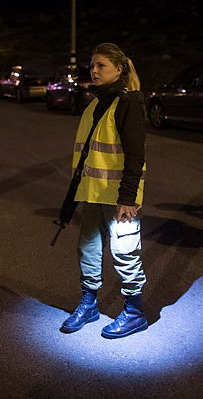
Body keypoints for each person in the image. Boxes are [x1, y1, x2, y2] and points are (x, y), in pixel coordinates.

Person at [60, 43, 149, 339]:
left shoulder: (128, 103)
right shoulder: (94, 104)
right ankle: (89, 305)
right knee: (88, 249)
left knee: (125, 253)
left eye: (101, 66)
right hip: (93, 193)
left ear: (118, 69)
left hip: (120, 198)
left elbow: (136, 156)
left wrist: (128, 198)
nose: (94, 71)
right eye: (92, 66)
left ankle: (134, 312)